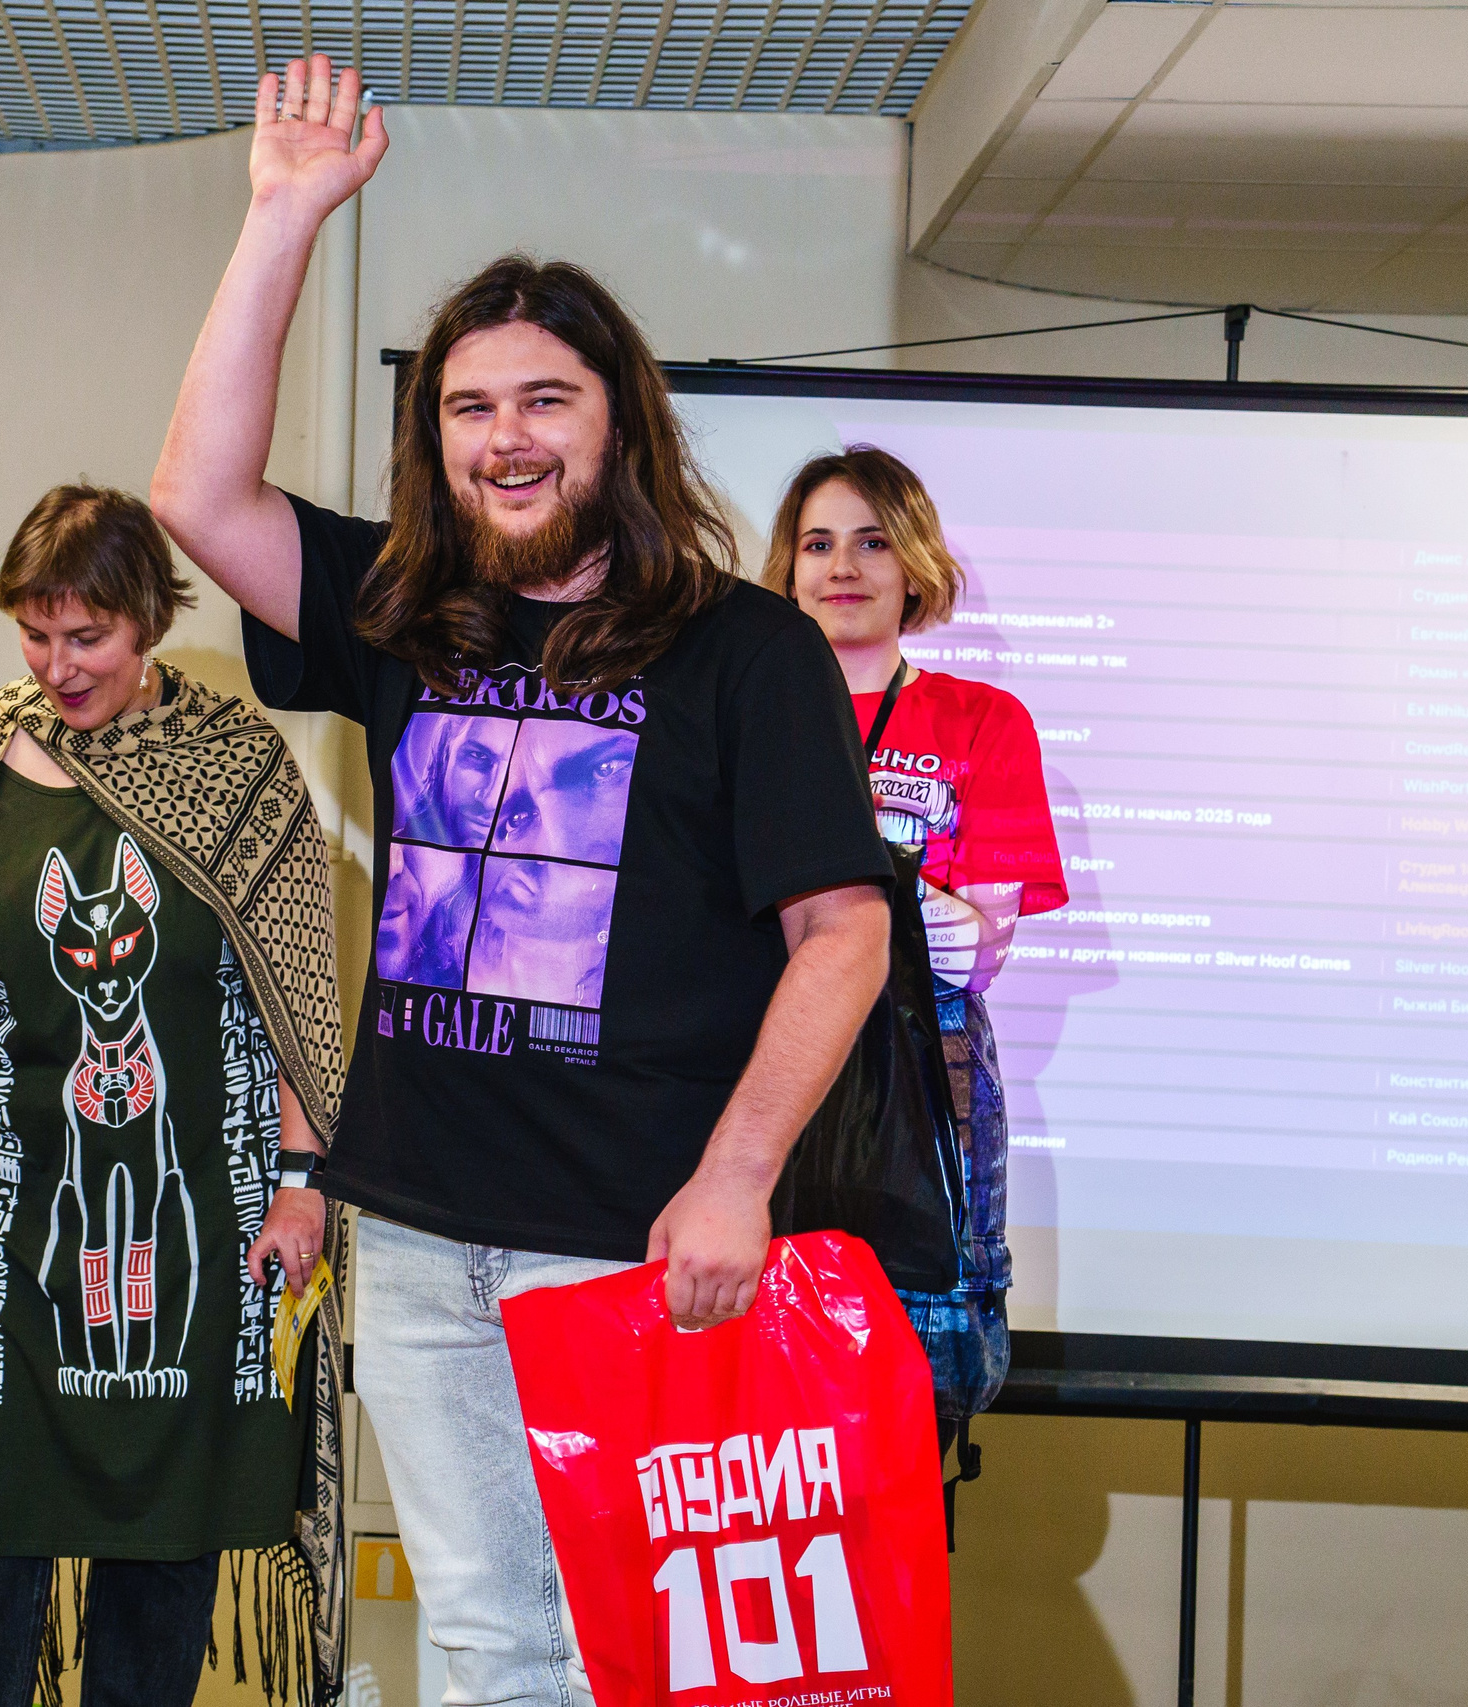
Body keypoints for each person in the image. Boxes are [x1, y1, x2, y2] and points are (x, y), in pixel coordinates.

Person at [149, 54, 892, 1707]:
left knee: (634, 1654)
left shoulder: (745, 648)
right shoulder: (411, 605)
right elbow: (197, 493)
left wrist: (739, 1175)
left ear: (618, 418)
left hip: (631, 1245)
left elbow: (842, 933)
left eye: (544, 399)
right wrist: (284, 217)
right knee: (489, 1643)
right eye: (471, 407)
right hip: (415, 1230)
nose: (505, 436)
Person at [0, 485, 349, 1705]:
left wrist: (299, 1186)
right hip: (6, 1231)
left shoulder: (234, 766)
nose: (59, 665)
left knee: (155, 1595)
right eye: (36, 632)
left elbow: (297, 996)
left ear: (152, 620)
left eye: (89, 638)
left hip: (192, 1233)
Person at [762, 446, 1070, 1442]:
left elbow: (973, 952)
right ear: (788, 568)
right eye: (817, 544)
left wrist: (852, 887)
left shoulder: (980, 719)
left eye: (871, 541)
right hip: (755, 1065)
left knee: (907, 1406)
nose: (841, 566)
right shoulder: (740, 719)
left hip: (919, 1078)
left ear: (914, 567)